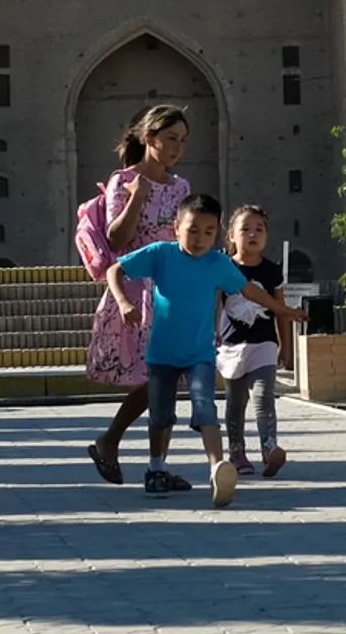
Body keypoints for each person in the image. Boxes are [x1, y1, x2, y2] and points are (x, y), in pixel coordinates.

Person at [77, 104, 191, 485]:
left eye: (183, 140)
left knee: (169, 380)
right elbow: (116, 239)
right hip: (136, 290)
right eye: (170, 138)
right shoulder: (122, 182)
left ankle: (152, 464)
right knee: (157, 378)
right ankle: (113, 442)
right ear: (149, 139)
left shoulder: (181, 188)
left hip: (172, 291)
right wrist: (137, 197)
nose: (177, 147)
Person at [103, 193, 246, 498]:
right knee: (160, 414)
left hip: (200, 354)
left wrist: (282, 310)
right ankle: (155, 469)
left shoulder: (217, 262)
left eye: (209, 232)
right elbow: (115, 270)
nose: (200, 239)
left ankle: (217, 470)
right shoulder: (161, 254)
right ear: (177, 227)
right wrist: (124, 302)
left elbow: (246, 290)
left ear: (218, 232)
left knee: (205, 405)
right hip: (163, 354)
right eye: (193, 230)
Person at [213, 203, 304, 487]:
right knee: (235, 402)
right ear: (231, 236)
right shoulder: (224, 268)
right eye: (245, 229)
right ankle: (237, 452)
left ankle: (269, 448)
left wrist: (285, 347)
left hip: (264, 344)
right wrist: (211, 336)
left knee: (264, 396)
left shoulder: (272, 271)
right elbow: (215, 305)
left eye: (259, 229)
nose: (253, 234)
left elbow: (281, 309)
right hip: (231, 347)